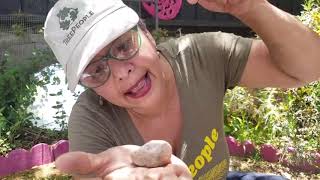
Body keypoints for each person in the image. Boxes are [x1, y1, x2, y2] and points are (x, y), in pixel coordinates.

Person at [43, 0, 320, 179]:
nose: (120, 72)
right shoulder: (91, 120)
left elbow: (309, 68)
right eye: (96, 70)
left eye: (124, 46)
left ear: (146, 32)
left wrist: (250, 6)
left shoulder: (202, 56)